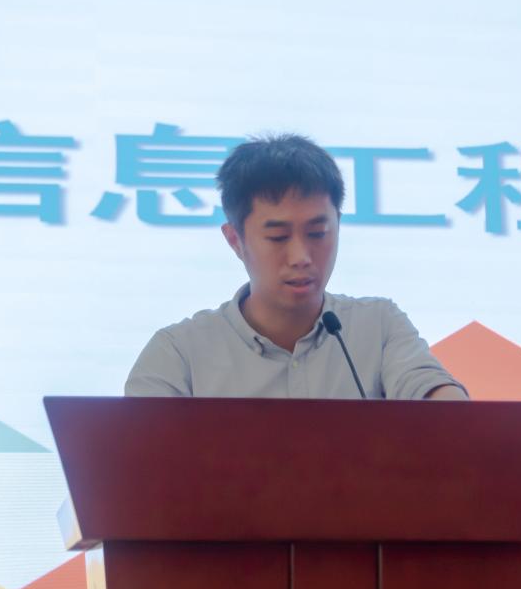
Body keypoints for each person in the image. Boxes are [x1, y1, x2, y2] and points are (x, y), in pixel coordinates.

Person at [124, 134, 468, 400]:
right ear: (235, 241)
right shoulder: (179, 354)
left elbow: (428, 388)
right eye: (278, 237)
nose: (301, 256)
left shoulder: (379, 326)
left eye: (318, 233)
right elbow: (137, 458)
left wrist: (451, 411)